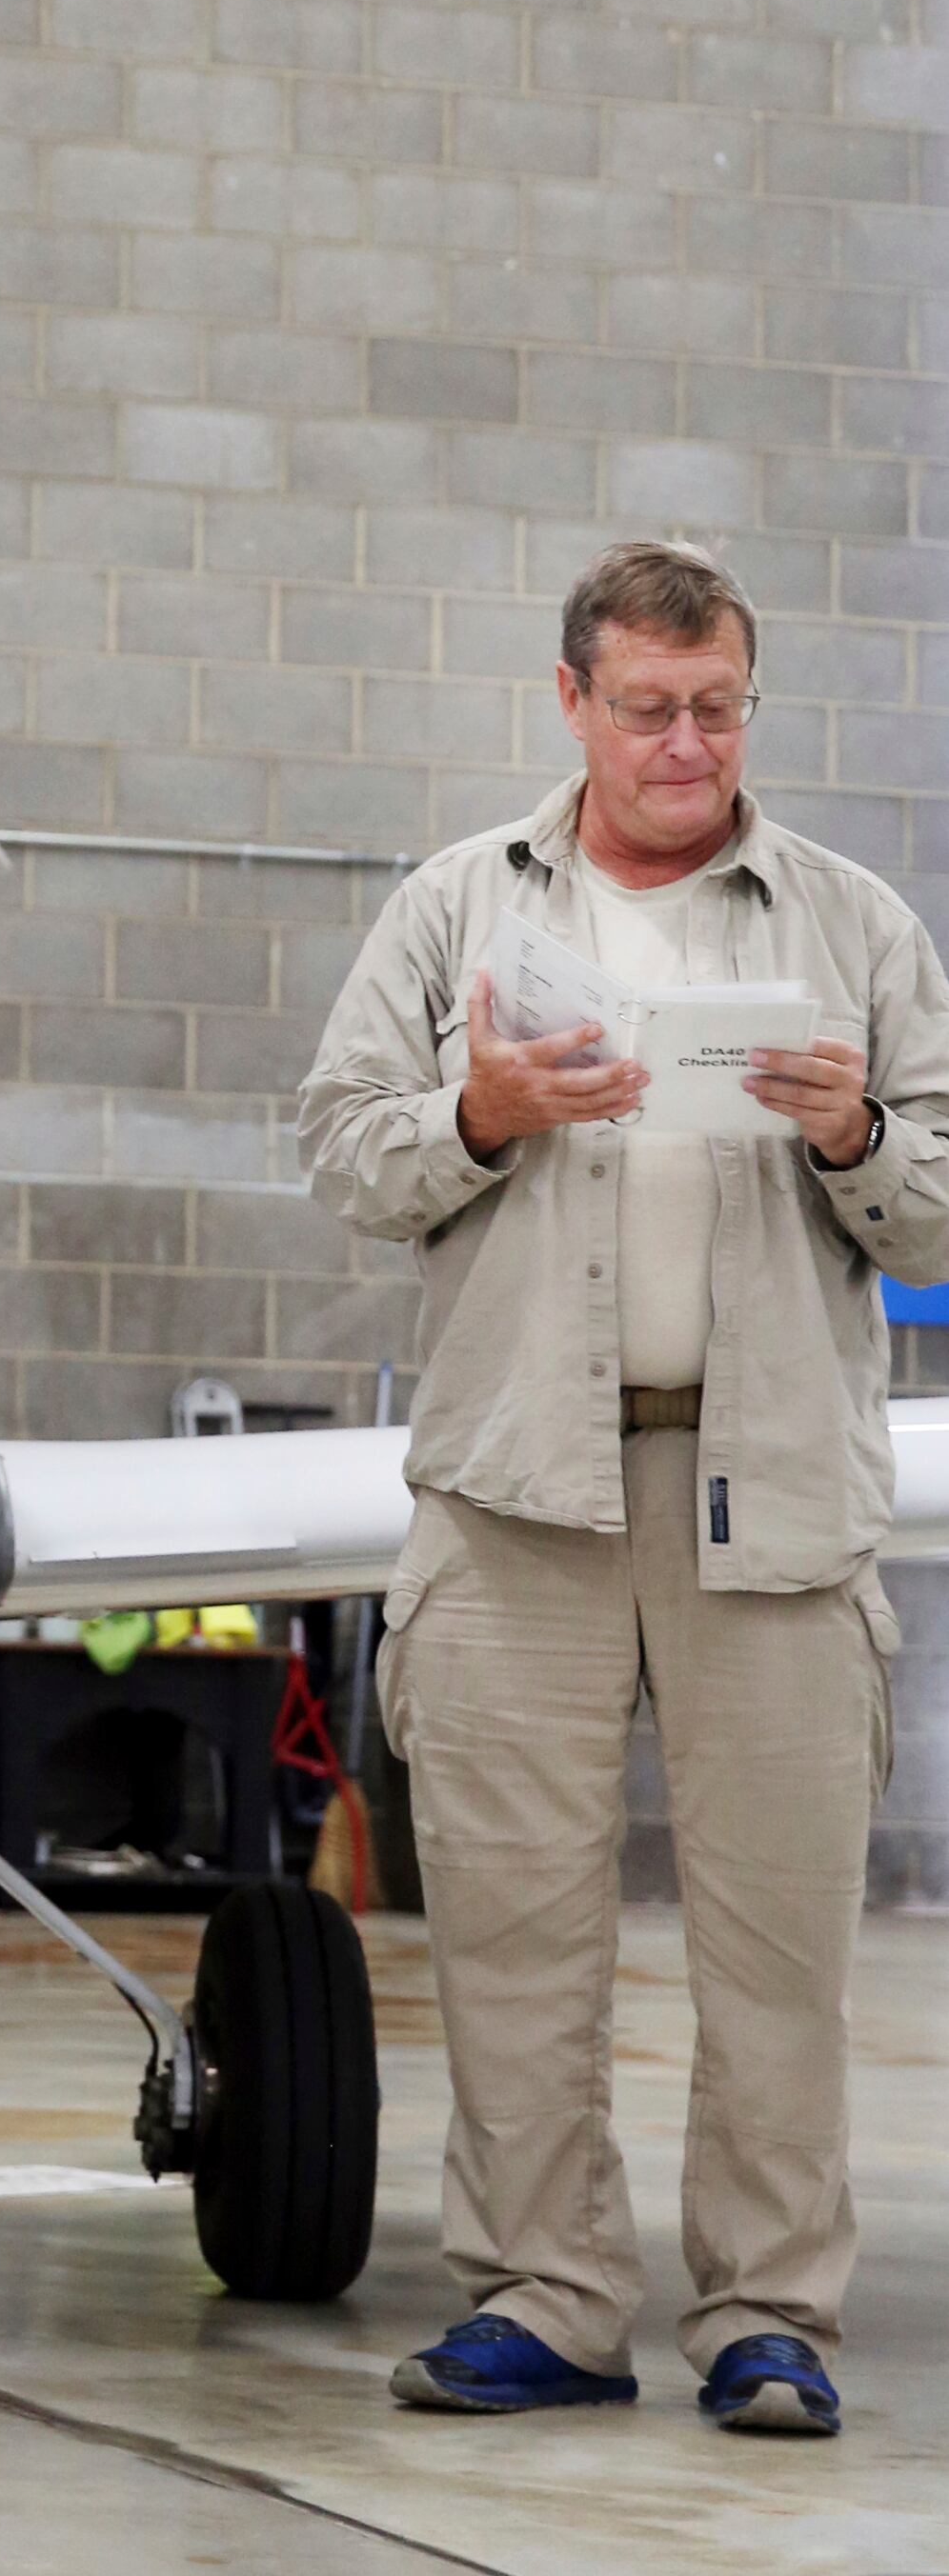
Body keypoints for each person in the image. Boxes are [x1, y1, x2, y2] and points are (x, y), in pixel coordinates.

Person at [300, 538, 949, 2440]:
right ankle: (546, 2299)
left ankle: (767, 2317)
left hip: (773, 1501)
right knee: (511, 1929)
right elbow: (346, 1153)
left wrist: (850, 1138)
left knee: (775, 1942)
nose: (688, 742)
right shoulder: (452, 914)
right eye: (650, 708)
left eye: (719, 706)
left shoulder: (850, 925)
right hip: (520, 1497)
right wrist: (487, 1115)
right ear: (572, 701)